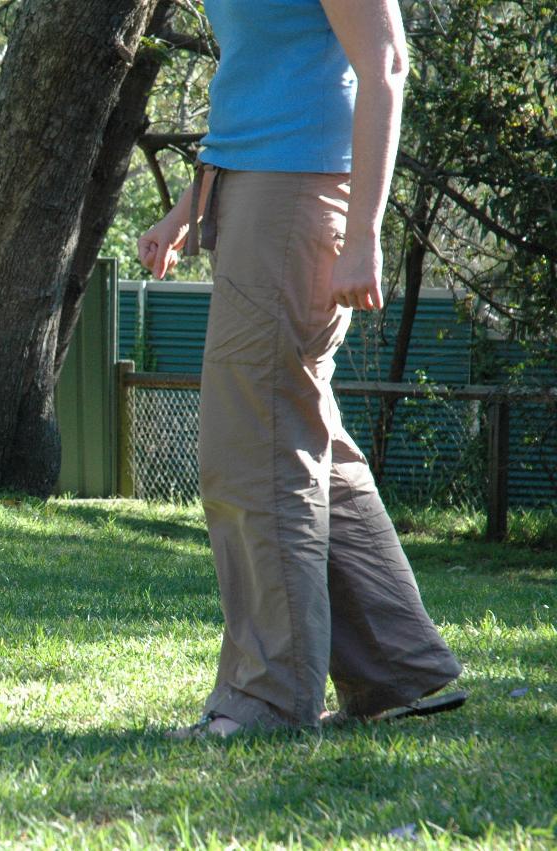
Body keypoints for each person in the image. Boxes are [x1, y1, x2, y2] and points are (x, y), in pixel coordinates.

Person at [137, 0, 465, 735]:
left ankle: (268, 696)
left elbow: (385, 64)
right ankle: (399, 669)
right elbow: (272, 79)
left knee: (253, 445)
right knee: (302, 429)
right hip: (251, 187)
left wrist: (364, 236)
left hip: (298, 197)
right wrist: (189, 209)